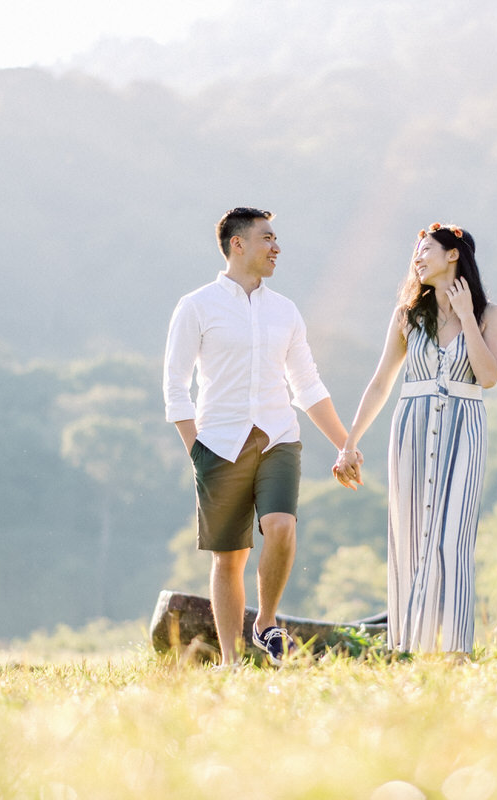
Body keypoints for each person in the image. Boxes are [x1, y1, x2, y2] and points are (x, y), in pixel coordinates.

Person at [164, 207, 354, 667]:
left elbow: (307, 385)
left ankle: (266, 622)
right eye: (267, 238)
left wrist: (344, 444)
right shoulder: (197, 306)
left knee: (282, 527)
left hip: (277, 438)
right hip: (217, 444)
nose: (276, 247)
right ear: (237, 244)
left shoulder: (284, 311)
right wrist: (196, 451)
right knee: (230, 560)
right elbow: (175, 385)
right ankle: (231, 662)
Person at [334, 223, 497, 655]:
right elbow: (380, 383)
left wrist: (466, 316)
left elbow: (487, 377)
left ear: (453, 255)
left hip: (464, 428)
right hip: (411, 428)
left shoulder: (489, 315)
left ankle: (455, 653)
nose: (417, 257)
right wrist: (350, 442)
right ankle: (409, 649)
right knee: (409, 539)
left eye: (426, 248)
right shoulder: (407, 315)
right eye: (416, 250)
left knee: (453, 539)